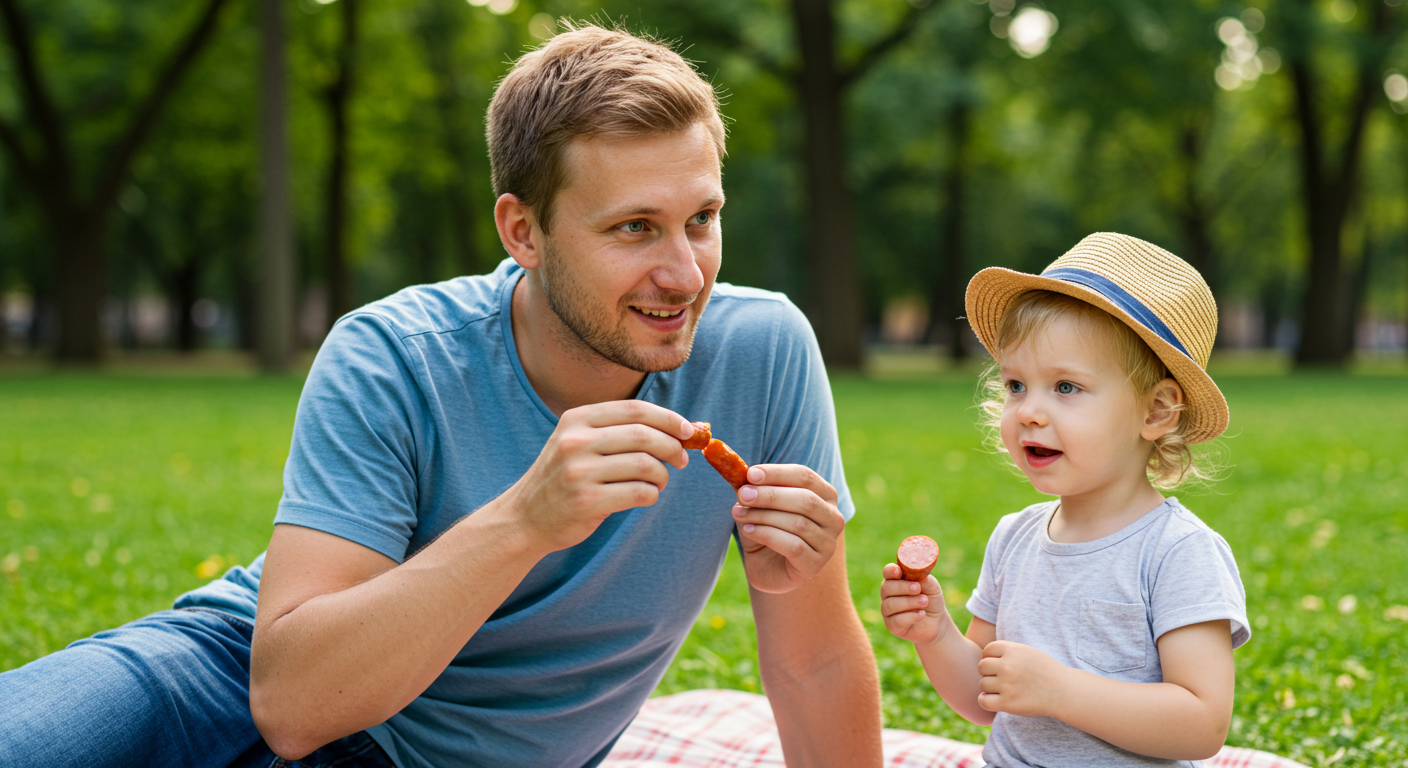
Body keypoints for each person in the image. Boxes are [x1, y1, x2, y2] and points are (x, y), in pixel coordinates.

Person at [0, 25, 882, 768]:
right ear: (523, 231)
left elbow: (811, 664)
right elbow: (291, 700)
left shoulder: (761, 353)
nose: (683, 272)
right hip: (232, 672)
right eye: (633, 229)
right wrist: (526, 520)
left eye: (701, 218)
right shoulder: (393, 355)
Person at [880, 233, 1250, 767]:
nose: (1029, 411)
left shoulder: (1178, 552)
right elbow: (984, 699)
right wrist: (936, 632)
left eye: (1066, 387)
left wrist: (1060, 691)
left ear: (1156, 412)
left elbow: (1202, 724)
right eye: (1015, 385)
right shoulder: (1014, 537)